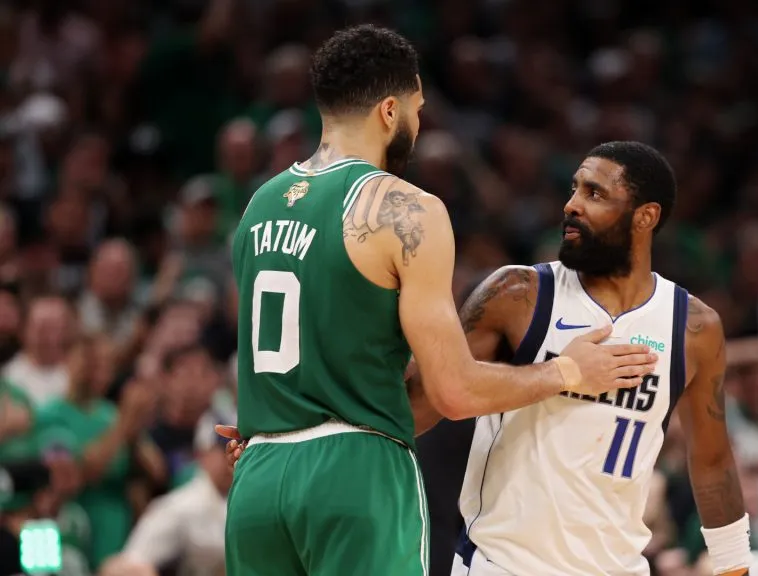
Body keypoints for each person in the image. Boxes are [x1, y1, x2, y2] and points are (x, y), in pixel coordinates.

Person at [225, 24, 657, 576]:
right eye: (416, 109)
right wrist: (568, 370)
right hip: (353, 470)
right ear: (389, 111)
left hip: (257, 473)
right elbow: (453, 391)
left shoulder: (259, 206)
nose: (418, 123)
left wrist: (275, 431)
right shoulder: (404, 208)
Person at [223, 140, 752, 575]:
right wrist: (290, 435)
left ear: (646, 217)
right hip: (501, 564)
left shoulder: (694, 328)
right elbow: (416, 405)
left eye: (595, 193)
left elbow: (711, 461)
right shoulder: (518, 295)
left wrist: (733, 567)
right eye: (574, 188)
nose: (572, 204)